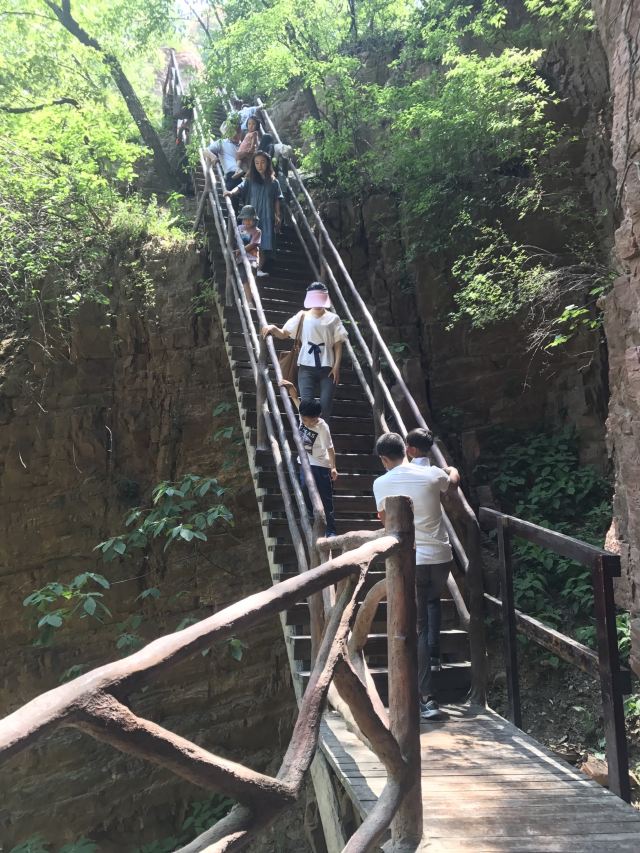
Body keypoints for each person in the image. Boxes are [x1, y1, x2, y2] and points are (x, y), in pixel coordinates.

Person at [372, 432, 457, 721]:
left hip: (414, 559)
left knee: (418, 624)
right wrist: (452, 470)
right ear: (405, 451)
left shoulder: (381, 483)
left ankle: (427, 697)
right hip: (442, 557)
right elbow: (451, 482)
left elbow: (386, 521)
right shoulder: (433, 474)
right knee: (432, 601)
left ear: (385, 458)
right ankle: (433, 654)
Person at [261, 282, 348, 420]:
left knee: (325, 407)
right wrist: (272, 328)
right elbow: (284, 333)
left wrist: (336, 366)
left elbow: (338, 344)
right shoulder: (303, 315)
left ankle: (322, 437)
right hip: (306, 366)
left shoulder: (333, 318)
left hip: (328, 367)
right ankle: (308, 438)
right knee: (306, 405)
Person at [279, 379, 337, 537]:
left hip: (321, 464)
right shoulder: (303, 416)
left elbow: (330, 449)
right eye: (304, 420)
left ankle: (331, 530)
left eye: (311, 420)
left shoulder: (322, 427)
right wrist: (290, 386)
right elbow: (295, 400)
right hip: (305, 462)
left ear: (318, 417)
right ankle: (314, 515)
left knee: (326, 497)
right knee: (305, 488)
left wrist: (333, 467)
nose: (307, 423)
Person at [224, 151, 283, 276]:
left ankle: (258, 268)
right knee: (250, 239)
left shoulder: (274, 182)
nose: (260, 165)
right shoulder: (250, 180)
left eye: (262, 162)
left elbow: (277, 198)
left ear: (268, 164)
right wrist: (231, 192)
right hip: (252, 215)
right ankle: (249, 267)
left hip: (267, 216)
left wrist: (278, 214)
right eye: (257, 163)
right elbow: (240, 187)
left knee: (265, 241)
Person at [234, 205, 261, 307]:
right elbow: (236, 240)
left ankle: (254, 300)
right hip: (241, 259)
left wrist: (240, 250)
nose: (247, 222)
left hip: (252, 258)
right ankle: (249, 302)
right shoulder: (239, 228)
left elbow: (253, 244)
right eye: (245, 219)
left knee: (251, 279)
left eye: (250, 219)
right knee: (244, 279)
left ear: (254, 220)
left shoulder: (257, 231)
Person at [204, 124, 242, 191]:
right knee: (232, 190)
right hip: (232, 175)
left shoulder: (244, 145)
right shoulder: (222, 142)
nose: (235, 134)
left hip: (245, 174)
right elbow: (206, 151)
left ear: (240, 133)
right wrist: (213, 157)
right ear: (228, 132)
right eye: (232, 132)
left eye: (237, 132)